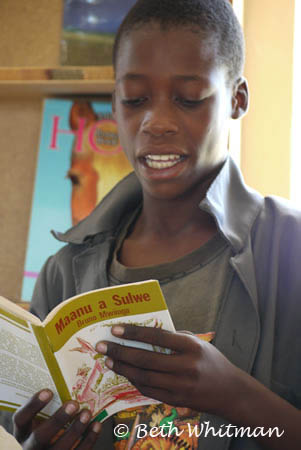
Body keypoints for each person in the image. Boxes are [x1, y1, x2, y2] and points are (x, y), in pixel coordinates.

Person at [12, 0, 301, 448]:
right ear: (114, 104)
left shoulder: (292, 249)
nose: (157, 122)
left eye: (189, 98)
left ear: (237, 100)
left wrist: (236, 396)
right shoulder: (64, 273)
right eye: (135, 100)